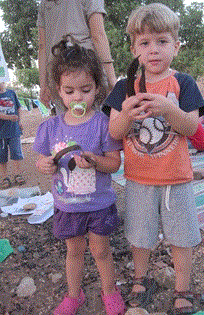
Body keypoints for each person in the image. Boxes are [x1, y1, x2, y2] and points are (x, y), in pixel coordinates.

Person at [107, 3, 204, 314]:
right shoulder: (124, 87)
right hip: (138, 178)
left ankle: (183, 286)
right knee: (140, 236)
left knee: (182, 236)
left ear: (176, 46)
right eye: (145, 43)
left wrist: (169, 109)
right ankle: (140, 279)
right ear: (135, 48)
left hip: (176, 178)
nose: (154, 50)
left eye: (162, 41)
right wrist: (126, 112)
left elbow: (192, 128)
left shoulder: (184, 83)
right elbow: (114, 132)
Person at [33, 43, 126, 315]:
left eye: (85, 90)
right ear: (58, 92)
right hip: (67, 206)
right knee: (73, 252)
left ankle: (109, 290)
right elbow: (40, 160)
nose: (77, 98)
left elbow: (114, 164)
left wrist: (95, 160)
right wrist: (45, 165)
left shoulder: (103, 124)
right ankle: (74, 295)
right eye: (69, 91)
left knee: (101, 251)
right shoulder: (50, 127)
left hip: (98, 205)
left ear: (97, 88)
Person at [37, 0, 116, 114]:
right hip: (88, 69)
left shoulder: (44, 3)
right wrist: (112, 79)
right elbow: (97, 34)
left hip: (58, 75)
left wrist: (43, 84)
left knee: (67, 124)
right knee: (98, 123)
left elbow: (42, 46)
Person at [0, 82, 26, 189]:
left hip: (14, 131)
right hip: (1, 133)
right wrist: (9, 118)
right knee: (2, 156)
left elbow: (18, 107)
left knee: (16, 152)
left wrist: (19, 121)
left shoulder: (11, 93)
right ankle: (4, 177)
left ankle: (18, 174)